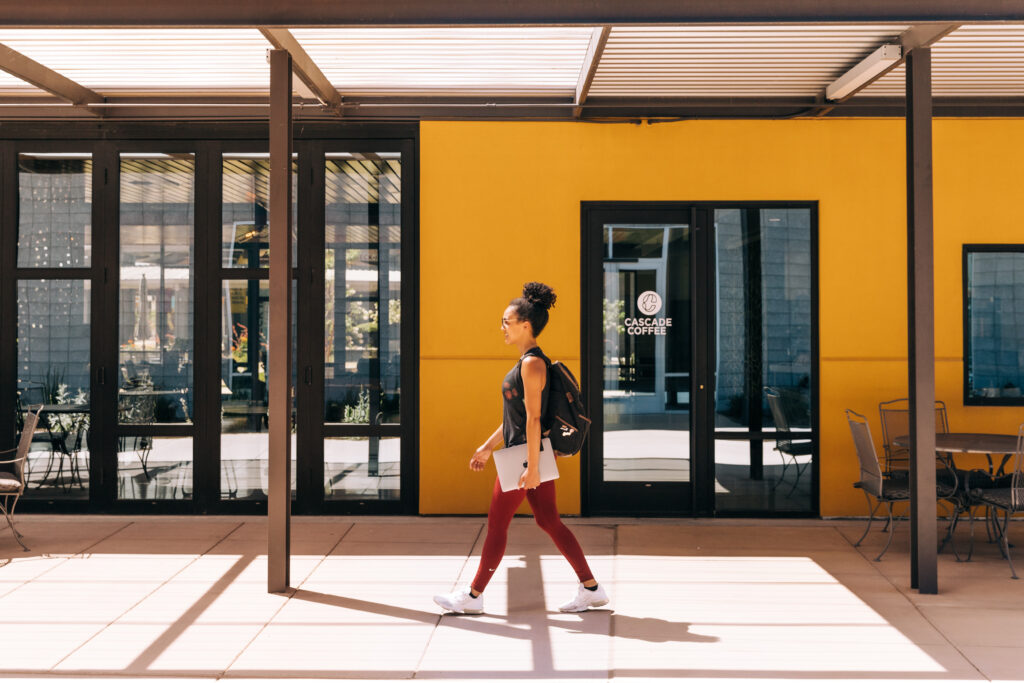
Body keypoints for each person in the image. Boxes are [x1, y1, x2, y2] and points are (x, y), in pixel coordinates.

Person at [433, 282, 609, 615]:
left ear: (525, 325)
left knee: (498, 524)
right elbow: (514, 417)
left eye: (506, 322)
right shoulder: (527, 363)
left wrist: (532, 467)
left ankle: (473, 597)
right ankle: (592, 589)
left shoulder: (532, 364)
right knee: (550, 521)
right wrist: (487, 447)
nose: (502, 328)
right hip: (527, 455)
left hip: (525, 458)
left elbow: (533, 420)